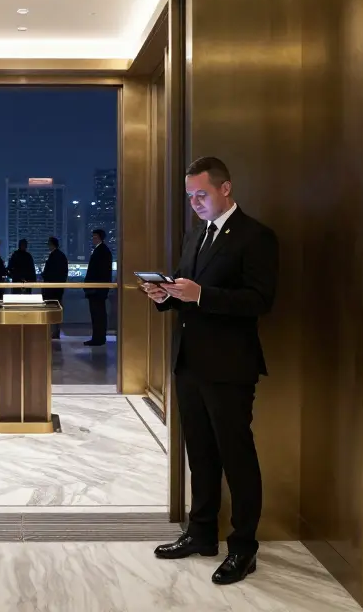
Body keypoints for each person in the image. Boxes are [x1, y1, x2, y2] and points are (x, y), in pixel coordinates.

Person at [141, 155, 278, 586]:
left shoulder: (256, 237)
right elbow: (186, 288)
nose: (195, 203)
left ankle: (243, 547)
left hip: (229, 366)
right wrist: (165, 295)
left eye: (201, 194)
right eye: (190, 197)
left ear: (225, 188)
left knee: (236, 457)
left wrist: (202, 295)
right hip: (190, 362)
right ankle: (201, 533)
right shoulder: (195, 235)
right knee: (199, 454)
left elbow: (259, 302)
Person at [83, 228, 113, 346]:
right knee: (97, 314)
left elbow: (101, 272)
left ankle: (98, 338)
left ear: (100, 238)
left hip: (97, 290)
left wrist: (95, 287)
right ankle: (98, 338)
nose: (93, 239)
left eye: (95, 237)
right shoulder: (100, 250)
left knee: (98, 314)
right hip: (96, 290)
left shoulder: (102, 251)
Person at [41, 237, 69, 339]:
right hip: (57, 289)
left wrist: (44, 276)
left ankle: (53, 331)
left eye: (48, 244)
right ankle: (55, 331)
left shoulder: (54, 256)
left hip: (52, 289)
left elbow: (49, 273)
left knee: (52, 309)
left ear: (52, 244)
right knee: (56, 309)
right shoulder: (61, 256)